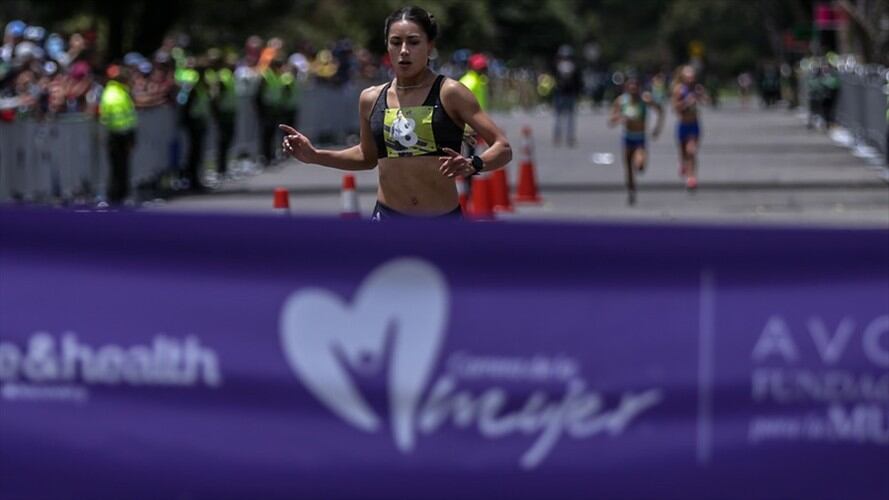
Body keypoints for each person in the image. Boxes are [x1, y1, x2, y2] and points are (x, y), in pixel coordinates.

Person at [279, 6, 511, 220]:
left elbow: (503, 147)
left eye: (413, 42)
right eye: (396, 42)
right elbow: (366, 156)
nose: (404, 51)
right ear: (387, 46)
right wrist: (315, 155)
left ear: (429, 46)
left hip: (441, 223)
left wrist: (474, 163)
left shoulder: (449, 92)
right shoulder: (371, 98)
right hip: (387, 221)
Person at [608, 76, 663, 206]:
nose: (633, 89)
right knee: (628, 168)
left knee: (639, 165)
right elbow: (610, 120)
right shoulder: (621, 101)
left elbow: (660, 110)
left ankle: (640, 164)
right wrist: (620, 118)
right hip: (627, 137)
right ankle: (631, 191)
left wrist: (657, 128)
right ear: (627, 87)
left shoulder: (645, 99)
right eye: (630, 86)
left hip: (640, 137)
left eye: (635, 86)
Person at [99, 64, 138, 205]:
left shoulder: (119, 92)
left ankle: (120, 194)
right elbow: (118, 118)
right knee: (119, 167)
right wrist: (129, 135)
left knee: (120, 166)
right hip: (119, 134)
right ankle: (117, 196)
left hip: (119, 134)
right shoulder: (115, 94)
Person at [671, 65, 706, 190]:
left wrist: (701, 96)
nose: (690, 79)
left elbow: (707, 101)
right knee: (683, 152)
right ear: (683, 77)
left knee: (691, 151)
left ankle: (692, 177)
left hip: (694, 124)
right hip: (683, 124)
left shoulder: (697, 89)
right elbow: (675, 108)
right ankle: (683, 164)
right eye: (688, 76)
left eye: (692, 76)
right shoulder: (679, 90)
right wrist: (686, 102)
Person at [552, 45, 581, 147]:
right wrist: (578, 93)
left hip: (560, 93)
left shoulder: (557, 66)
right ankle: (570, 137)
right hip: (570, 93)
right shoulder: (573, 66)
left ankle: (557, 137)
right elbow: (578, 82)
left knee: (558, 117)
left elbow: (554, 80)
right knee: (570, 117)